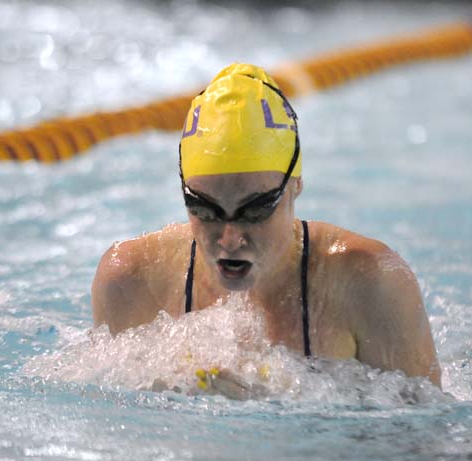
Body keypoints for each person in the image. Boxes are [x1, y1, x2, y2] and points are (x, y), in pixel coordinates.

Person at [91, 63, 441, 393]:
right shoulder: (130, 280)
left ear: (295, 186)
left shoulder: (369, 284)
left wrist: (278, 412)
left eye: (255, 211)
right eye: (204, 210)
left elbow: (424, 441)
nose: (229, 239)